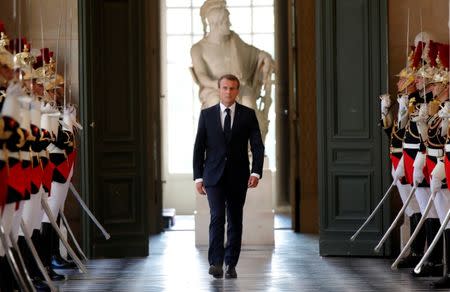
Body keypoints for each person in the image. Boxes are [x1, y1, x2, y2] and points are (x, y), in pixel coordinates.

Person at [193, 74, 264, 279]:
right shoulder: (206, 115)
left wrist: (256, 171)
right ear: (219, 89)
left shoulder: (248, 115)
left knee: (235, 219)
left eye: (232, 88)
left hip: (238, 176)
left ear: (237, 91)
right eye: (225, 88)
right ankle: (215, 262)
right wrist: (198, 177)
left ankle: (230, 263)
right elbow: (199, 148)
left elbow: (257, 146)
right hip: (213, 176)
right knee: (217, 217)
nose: (228, 92)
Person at [190, 0, 274, 143]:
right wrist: (220, 85)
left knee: (248, 103)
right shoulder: (198, 49)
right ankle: (221, 150)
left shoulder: (233, 39)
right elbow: (202, 76)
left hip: (237, 87)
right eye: (226, 21)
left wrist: (264, 57)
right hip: (213, 90)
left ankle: (247, 150)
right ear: (215, 24)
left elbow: (254, 54)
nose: (230, 24)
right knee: (218, 105)